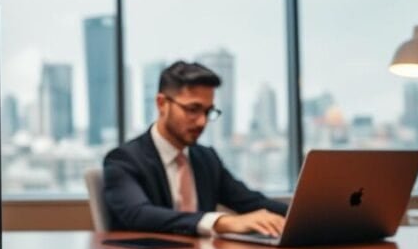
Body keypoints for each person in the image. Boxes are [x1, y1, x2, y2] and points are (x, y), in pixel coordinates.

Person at [103, 61, 288, 237]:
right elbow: (139, 214)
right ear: (161, 104)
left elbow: (251, 202)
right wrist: (221, 222)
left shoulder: (206, 158)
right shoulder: (123, 160)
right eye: (193, 109)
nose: (202, 121)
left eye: (208, 112)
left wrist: (307, 217)